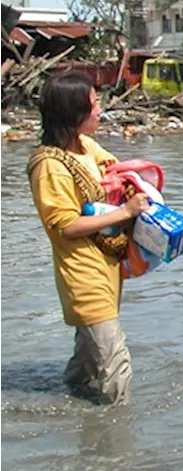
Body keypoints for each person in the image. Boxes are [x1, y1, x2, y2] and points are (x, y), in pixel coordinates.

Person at [27, 72, 151, 405]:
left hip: (106, 265)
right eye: (94, 105)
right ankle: (115, 438)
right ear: (73, 114)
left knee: (86, 362)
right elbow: (64, 226)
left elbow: (113, 168)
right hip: (82, 273)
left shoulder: (84, 146)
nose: (100, 111)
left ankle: (70, 407)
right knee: (115, 362)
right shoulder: (50, 165)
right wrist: (125, 212)